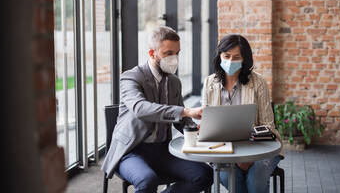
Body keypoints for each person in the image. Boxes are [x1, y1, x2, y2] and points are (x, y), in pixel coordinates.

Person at [102, 26, 213, 193]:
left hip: (163, 149)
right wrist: (185, 111)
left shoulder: (174, 82)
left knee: (205, 174)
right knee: (147, 181)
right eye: (168, 53)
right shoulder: (131, 77)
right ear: (152, 53)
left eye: (177, 53)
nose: (174, 58)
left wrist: (194, 130)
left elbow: (182, 120)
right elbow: (141, 109)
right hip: (131, 151)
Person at [202, 34, 284, 193]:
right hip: (224, 150)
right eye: (226, 56)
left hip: (261, 148)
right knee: (226, 176)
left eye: (236, 57)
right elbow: (207, 123)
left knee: (256, 179)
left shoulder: (258, 82)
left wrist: (249, 157)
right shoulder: (209, 83)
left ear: (244, 59)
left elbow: (268, 126)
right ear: (220, 56)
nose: (230, 61)